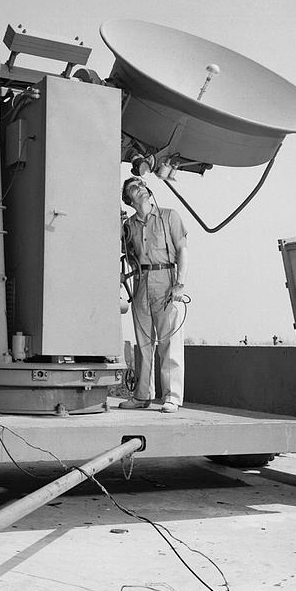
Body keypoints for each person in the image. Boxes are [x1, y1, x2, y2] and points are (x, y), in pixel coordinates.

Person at [119, 176, 188, 414]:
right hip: (140, 282)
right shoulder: (128, 226)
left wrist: (179, 285)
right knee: (144, 343)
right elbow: (126, 255)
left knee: (169, 342)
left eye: (141, 185)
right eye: (134, 188)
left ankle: (172, 397)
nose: (141, 189)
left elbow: (182, 250)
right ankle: (143, 395)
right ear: (129, 200)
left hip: (166, 280)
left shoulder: (170, 216)